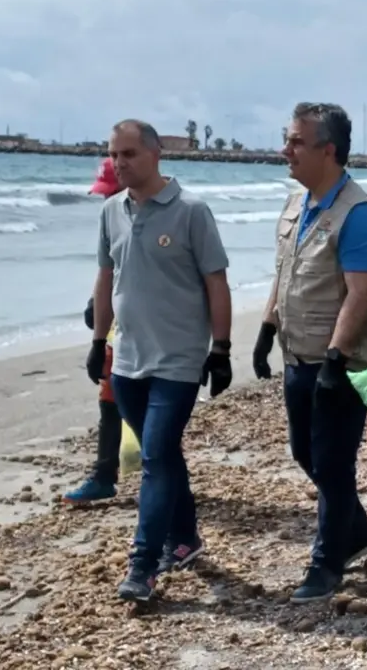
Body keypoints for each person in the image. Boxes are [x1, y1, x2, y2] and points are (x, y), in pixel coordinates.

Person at [252, 102, 367, 603]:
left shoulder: (358, 216)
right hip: (297, 357)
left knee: (333, 464)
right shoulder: (297, 205)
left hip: (339, 366)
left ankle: (327, 562)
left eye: (295, 142)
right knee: (305, 453)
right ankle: (354, 531)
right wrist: (268, 327)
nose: (284, 150)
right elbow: (285, 272)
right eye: (286, 139)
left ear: (327, 150)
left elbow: (359, 294)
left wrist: (336, 359)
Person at [89, 119, 234, 601]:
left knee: (154, 458)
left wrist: (221, 349)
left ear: (155, 155)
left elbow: (217, 282)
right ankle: (187, 539)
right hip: (127, 359)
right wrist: (97, 342)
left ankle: (143, 565)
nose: (119, 163)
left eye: (128, 153)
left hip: (177, 361)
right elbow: (106, 278)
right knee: (164, 455)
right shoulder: (111, 211)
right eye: (114, 154)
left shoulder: (191, 211)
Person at [64, 159, 125, 505]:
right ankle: (104, 476)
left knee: (148, 409)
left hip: (148, 337)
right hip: (116, 339)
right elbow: (106, 274)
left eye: (110, 194)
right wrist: (97, 338)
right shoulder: (112, 222)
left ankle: (161, 478)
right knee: (109, 404)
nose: (106, 202)